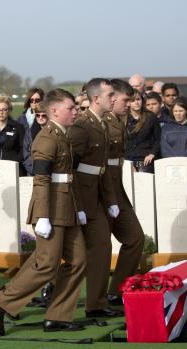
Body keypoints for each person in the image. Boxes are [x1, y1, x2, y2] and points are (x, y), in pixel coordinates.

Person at [0, 89, 87, 336]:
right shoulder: (46, 138)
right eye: (70, 108)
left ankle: (58, 316)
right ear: (54, 111)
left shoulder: (63, 135)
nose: (75, 111)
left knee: (78, 261)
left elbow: (68, 178)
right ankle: (1, 302)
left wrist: (79, 208)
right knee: (46, 264)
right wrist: (42, 216)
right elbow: (41, 179)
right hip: (51, 209)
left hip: (67, 206)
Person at [70, 78, 122, 318]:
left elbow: (101, 169)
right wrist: (78, 204)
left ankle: (96, 304)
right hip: (82, 198)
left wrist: (110, 200)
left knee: (102, 247)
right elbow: (70, 168)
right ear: (96, 98)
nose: (114, 98)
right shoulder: (82, 127)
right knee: (58, 257)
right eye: (110, 95)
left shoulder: (100, 124)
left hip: (97, 195)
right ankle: (7, 299)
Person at [103, 79, 145, 304]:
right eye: (125, 100)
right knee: (93, 248)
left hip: (116, 189)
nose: (129, 104)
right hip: (103, 192)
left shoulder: (118, 122)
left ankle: (116, 291)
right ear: (112, 98)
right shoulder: (104, 122)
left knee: (135, 238)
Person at [0, 95, 26, 176]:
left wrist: (15, 164)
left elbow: (22, 149)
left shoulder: (18, 127)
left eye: (4, 109)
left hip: (12, 169)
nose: (1, 112)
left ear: (9, 110)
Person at [126, 92, 160, 172]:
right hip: (128, 160)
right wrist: (126, 161)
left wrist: (152, 153)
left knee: (146, 184)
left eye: (138, 99)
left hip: (146, 160)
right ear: (128, 103)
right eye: (133, 100)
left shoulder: (151, 117)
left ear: (142, 101)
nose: (136, 102)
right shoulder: (124, 118)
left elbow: (158, 139)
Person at [22, 104, 48, 176]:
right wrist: (33, 170)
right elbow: (26, 153)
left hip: (49, 171)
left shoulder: (53, 131)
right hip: (33, 172)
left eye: (44, 115)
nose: (40, 118)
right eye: (38, 115)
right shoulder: (29, 132)